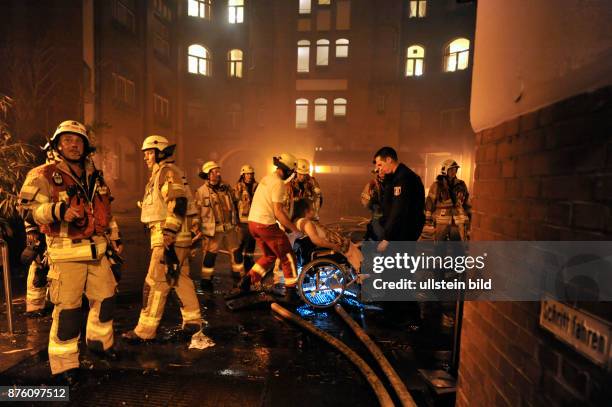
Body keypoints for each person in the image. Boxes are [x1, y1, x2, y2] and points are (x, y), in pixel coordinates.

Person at [18, 120, 122, 379]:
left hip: (98, 253)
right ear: (57, 144)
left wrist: (115, 239)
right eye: (67, 140)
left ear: (86, 146)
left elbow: (105, 212)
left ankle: (100, 344)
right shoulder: (41, 174)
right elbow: (25, 210)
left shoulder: (94, 175)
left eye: (79, 140)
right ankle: (65, 365)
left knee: (107, 301)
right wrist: (59, 211)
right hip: (66, 256)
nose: (74, 145)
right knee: (68, 313)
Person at [122, 135, 202, 342]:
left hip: (169, 238)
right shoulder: (162, 173)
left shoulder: (167, 172)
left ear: (160, 153)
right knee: (179, 278)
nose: (146, 158)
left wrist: (168, 234)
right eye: (145, 153)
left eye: (149, 153)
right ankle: (193, 323)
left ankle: (144, 332)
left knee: (155, 283)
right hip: (178, 238)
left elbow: (178, 203)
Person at [235, 153, 299, 302]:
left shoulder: (267, 178)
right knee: (288, 256)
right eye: (291, 172)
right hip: (265, 225)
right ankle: (291, 292)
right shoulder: (278, 184)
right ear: (287, 170)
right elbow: (278, 212)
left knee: (270, 256)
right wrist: (294, 228)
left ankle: (247, 281)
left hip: (253, 224)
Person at [194, 161, 243, 292]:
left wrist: (237, 222)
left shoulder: (226, 188)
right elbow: (197, 212)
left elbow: (236, 202)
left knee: (237, 253)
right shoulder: (201, 192)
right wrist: (196, 229)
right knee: (210, 256)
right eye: (215, 171)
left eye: (218, 171)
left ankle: (238, 276)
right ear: (208, 174)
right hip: (213, 231)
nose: (218, 173)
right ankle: (206, 279)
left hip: (229, 229)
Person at [373, 146, 425, 251]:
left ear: (388, 160)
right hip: (400, 235)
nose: (379, 169)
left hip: (401, 237)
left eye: (380, 164)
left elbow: (398, 210)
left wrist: (387, 238)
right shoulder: (395, 178)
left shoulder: (403, 179)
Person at [425, 159, 471, 241]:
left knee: (457, 247)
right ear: (445, 170)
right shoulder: (437, 185)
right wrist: (428, 218)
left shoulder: (461, 184)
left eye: (455, 169)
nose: (454, 172)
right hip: (442, 221)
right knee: (440, 247)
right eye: (451, 169)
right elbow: (430, 201)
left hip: (458, 222)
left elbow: (467, 202)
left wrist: (469, 216)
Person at [234, 164, 258, 273]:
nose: (249, 176)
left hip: (254, 220)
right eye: (247, 174)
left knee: (251, 245)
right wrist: (235, 220)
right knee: (240, 244)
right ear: (243, 175)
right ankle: (238, 267)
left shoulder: (257, 186)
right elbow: (234, 204)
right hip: (242, 221)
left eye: (251, 174)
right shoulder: (238, 187)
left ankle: (248, 265)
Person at [360, 168, 385, 241]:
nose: (381, 173)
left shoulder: (393, 183)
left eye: (382, 171)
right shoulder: (372, 185)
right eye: (379, 171)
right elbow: (365, 200)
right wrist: (372, 200)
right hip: (378, 213)